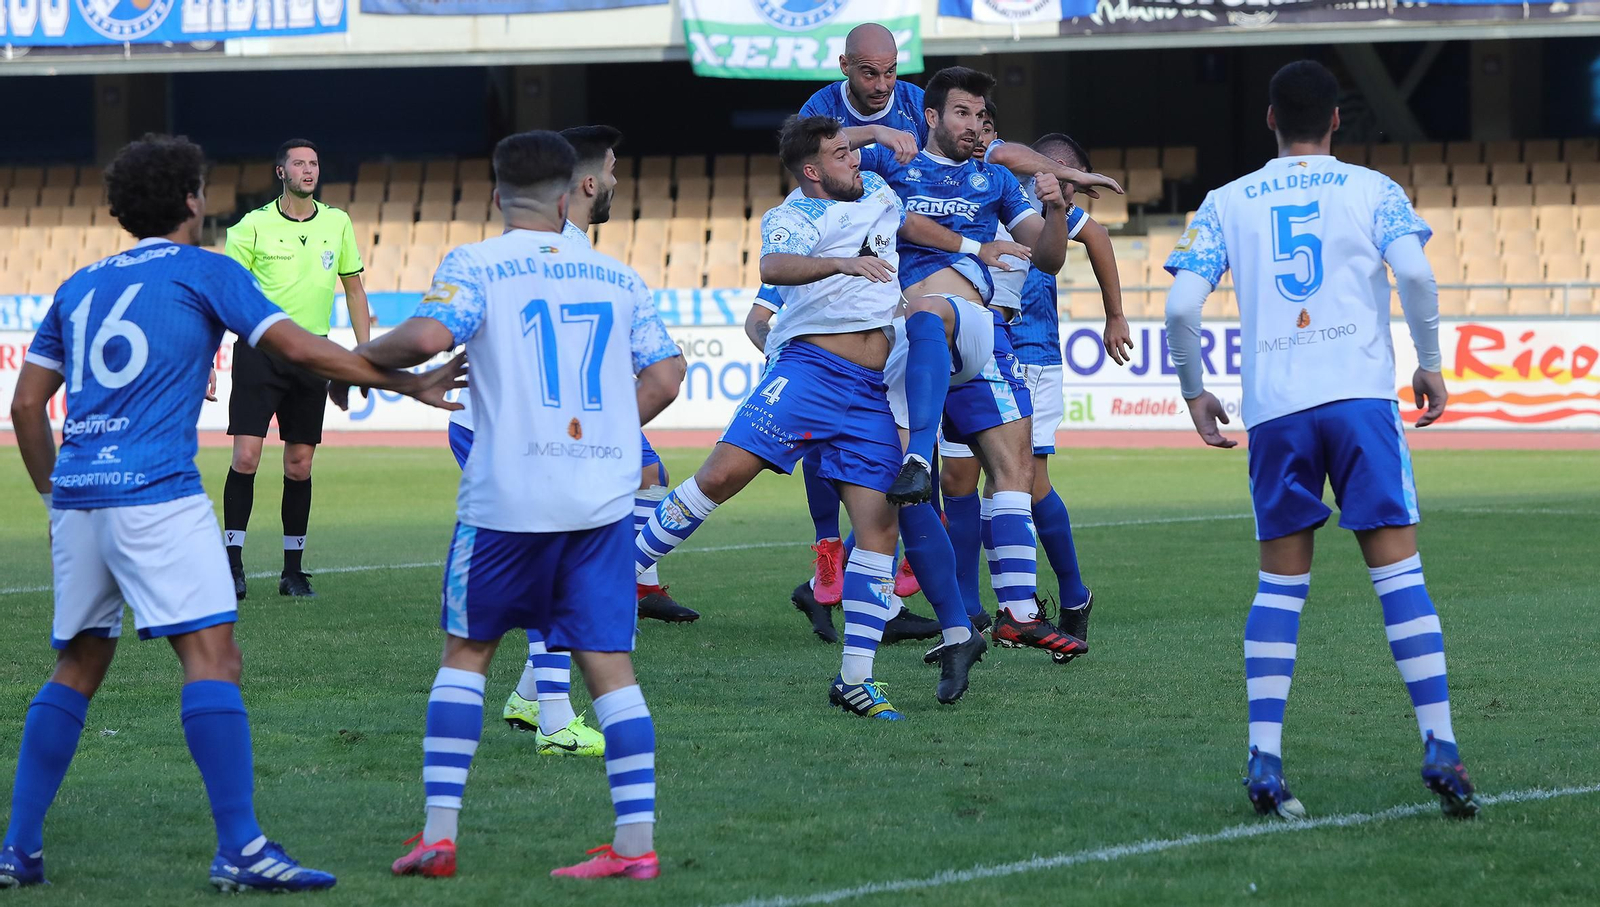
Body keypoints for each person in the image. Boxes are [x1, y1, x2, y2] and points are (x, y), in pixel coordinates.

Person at [1, 133, 462, 892]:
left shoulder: (78, 285)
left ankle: (17, 849)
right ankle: (241, 848)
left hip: (80, 496)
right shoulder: (207, 270)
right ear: (191, 200)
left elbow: (26, 405)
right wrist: (406, 382)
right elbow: (300, 349)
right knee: (214, 661)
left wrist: (55, 498)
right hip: (157, 493)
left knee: (77, 664)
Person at [361, 130, 683, 880]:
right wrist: (608, 436)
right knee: (611, 667)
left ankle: (440, 836)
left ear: (497, 193)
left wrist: (357, 358)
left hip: (506, 496)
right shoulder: (619, 276)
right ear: (570, 194)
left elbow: (427, 336)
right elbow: (667, 376)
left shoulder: (476, 263)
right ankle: (635, 846)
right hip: (598, 500)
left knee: (468, 653)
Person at [1162, 59, 1477, 820]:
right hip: (1360, 401)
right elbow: (1417, 277)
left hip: (1277, 409)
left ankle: (1264, 758)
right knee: (1400, 577)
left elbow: (1179, 307)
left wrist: (1195, 390)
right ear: (1338, 119)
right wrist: (1429, 362)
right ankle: (1440, 743)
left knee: (1279, 587)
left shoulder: (1226, 201)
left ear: (1270, 118)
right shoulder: (1374, 189)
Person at [637, 116, 990, 712]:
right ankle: (618, 572)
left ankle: (854, 679)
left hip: (868, 390)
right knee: (719, 477)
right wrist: (842, 264)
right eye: (840, 154)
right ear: (812, 171)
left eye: (851, 150)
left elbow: (902, 216)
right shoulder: (793, 216)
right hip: (809, 371)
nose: (853, 159)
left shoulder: (876, 189)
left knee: (879, 528)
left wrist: (978, 246)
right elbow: (773, 268)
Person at [443, 126, 687, 761]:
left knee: (643, 481)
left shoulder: (555, 248)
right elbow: (662, 373)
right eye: (612, 169)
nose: (616, 182)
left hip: (538, 427)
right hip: (517, 431)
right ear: (585, 184)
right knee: (559, 561)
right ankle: (552, 716)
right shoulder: (572, 255)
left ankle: (535, 696)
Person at [850, 66, 1090, 660]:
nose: (975, 125)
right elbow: (819, 148)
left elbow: (1048, 258)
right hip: (904, 338)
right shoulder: (894, 164)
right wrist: (872, 133)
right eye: (962, 112)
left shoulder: (997, 179)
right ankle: (947, 622)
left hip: (979, 336)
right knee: (908, 490)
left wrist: (1055, 211)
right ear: (930, 117)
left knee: (1015, 470)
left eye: (982, 116)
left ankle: (1019, 613)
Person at [939, 120, 1132, 657]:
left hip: (1032, 355)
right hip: (975, 347)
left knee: (1024, 480)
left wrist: (1115, 315)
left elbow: (1097, 236)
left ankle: (1070, 595)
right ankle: (971, 610)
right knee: (959, 477)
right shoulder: (979, 185)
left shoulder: (1039, 201)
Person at [222, 139, 373, 600]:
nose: (309, 170)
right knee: (246, 457)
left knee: (299, 464)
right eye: (299, 164)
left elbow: (354, 290)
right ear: (281, 172)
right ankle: (232, 567)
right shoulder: (250, 227)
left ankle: (293, 572)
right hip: (259, 351)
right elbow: (226, 296)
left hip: (312, 354)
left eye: (314, 164)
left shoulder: (337, 222)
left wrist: (365, 354)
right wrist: (208, 356)